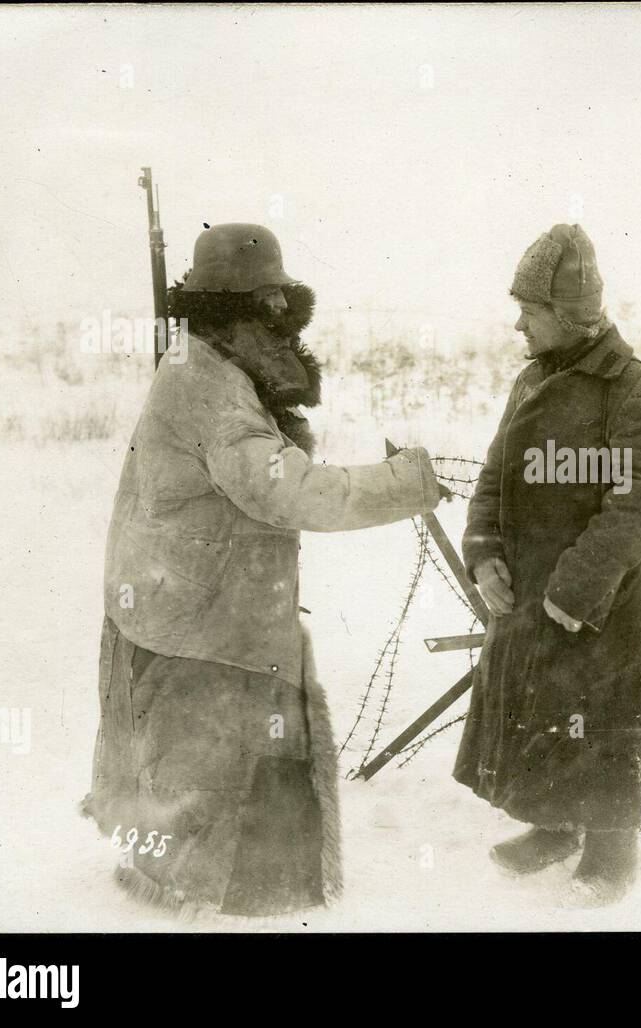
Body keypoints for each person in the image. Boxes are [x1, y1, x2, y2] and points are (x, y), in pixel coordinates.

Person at [83, 223, 444, 917]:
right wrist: (408, 481)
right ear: (242, 314)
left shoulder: (204, 366)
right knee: (215, 775)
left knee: (199, 767)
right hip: (205, 622)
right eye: (270, 307)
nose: (283, 324)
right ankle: (221, 903)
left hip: (183, 604)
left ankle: (219, 890)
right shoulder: (213, 389)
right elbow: (286, 491)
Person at [454, 224, 641, 907]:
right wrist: (484, 550)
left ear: (569, 313)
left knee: (606, 710)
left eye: (531, 310)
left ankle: (611, 846)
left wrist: (577, 585)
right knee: (547, 706)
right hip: (530, 578)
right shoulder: (528, 382)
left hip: (608, 587)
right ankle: (554, 822)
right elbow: (494, 474)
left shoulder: (629, 388)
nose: (518, 323)